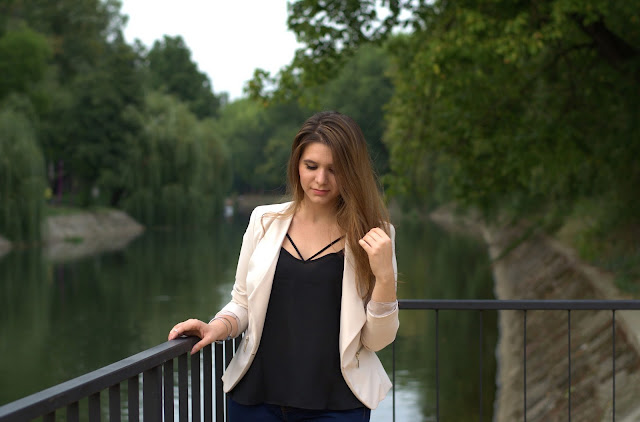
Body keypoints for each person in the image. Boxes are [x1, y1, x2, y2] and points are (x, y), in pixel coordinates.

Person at [168, 111, 399, 421]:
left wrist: (385, 277)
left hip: (337, 406)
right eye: (311, 166)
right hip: (256, 401)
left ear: (352, 171)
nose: (321, 179)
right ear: (297, 165)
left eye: (334, 169)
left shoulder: (375, 235)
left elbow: (377, 340)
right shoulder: (264, 221)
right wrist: (216, 327)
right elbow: (242, 302)